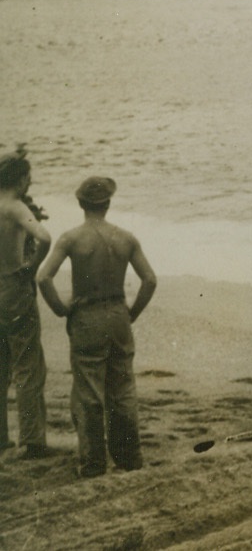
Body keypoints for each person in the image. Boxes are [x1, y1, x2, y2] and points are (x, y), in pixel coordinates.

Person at [36, 176, 157, 478]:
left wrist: (61, 309)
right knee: (123, 389)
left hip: (87, 315)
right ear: (108, 203)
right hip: (117, 313)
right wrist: (132, 313)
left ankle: (93, 463)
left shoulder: (72, 238)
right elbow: (150, 280)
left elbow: (43, 277)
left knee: (89, 393)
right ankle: (129, 458)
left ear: (81, 203)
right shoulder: (126, 238)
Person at [0, 149, 52, 460]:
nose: (30, 182)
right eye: (28, 177)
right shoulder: (15, 207)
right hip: (13, 286)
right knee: (28, 365)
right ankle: (32, 439)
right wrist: (32, 267)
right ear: (19, 180)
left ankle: (1, 438)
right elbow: (44, 237)